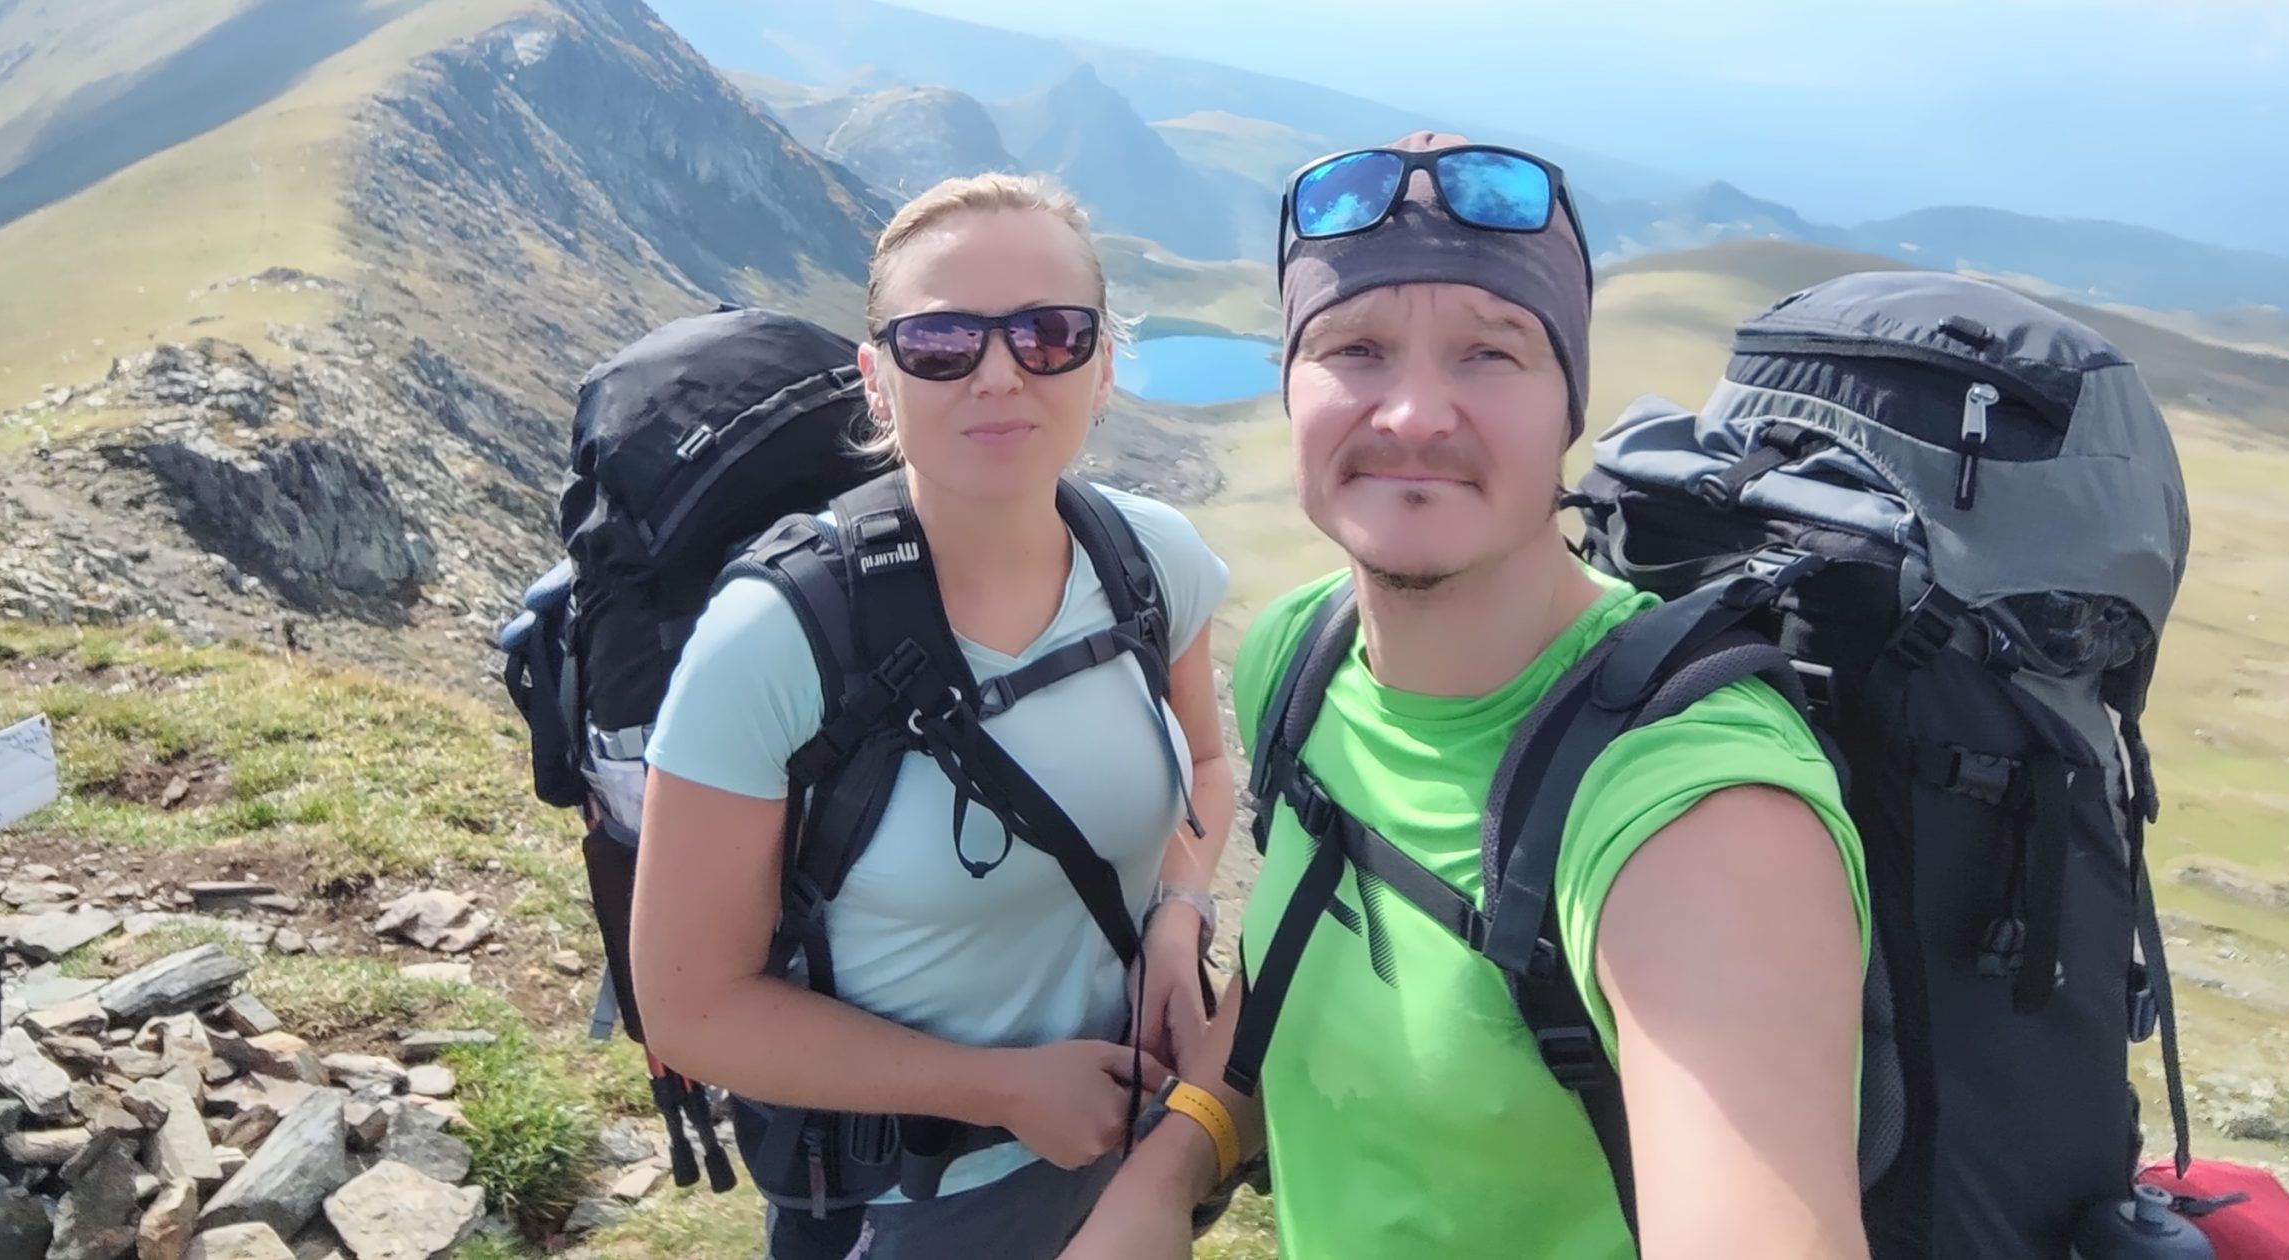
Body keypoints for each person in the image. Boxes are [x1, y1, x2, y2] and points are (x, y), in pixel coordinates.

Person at [1067, 134, 1871, 1258]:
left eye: (1489, 353)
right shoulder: (1301, 652)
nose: (1412, 413)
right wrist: (1172, 1162)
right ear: (1288, 385)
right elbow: (1300, 957)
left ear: (1568, 409)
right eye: (1354, 346)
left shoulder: (1697, 811)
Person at [630, 172, 1234, 1259]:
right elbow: (691, 1006)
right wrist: (999, 1089)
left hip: (1129, 1148)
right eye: (943, 340)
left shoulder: (1150, 560)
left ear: (1102, 366)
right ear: (877, 379)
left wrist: (1177, 913)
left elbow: (1200, 760)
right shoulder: (773, 638)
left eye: (1050, 333)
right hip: (911, 1201)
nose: (1000, 372)